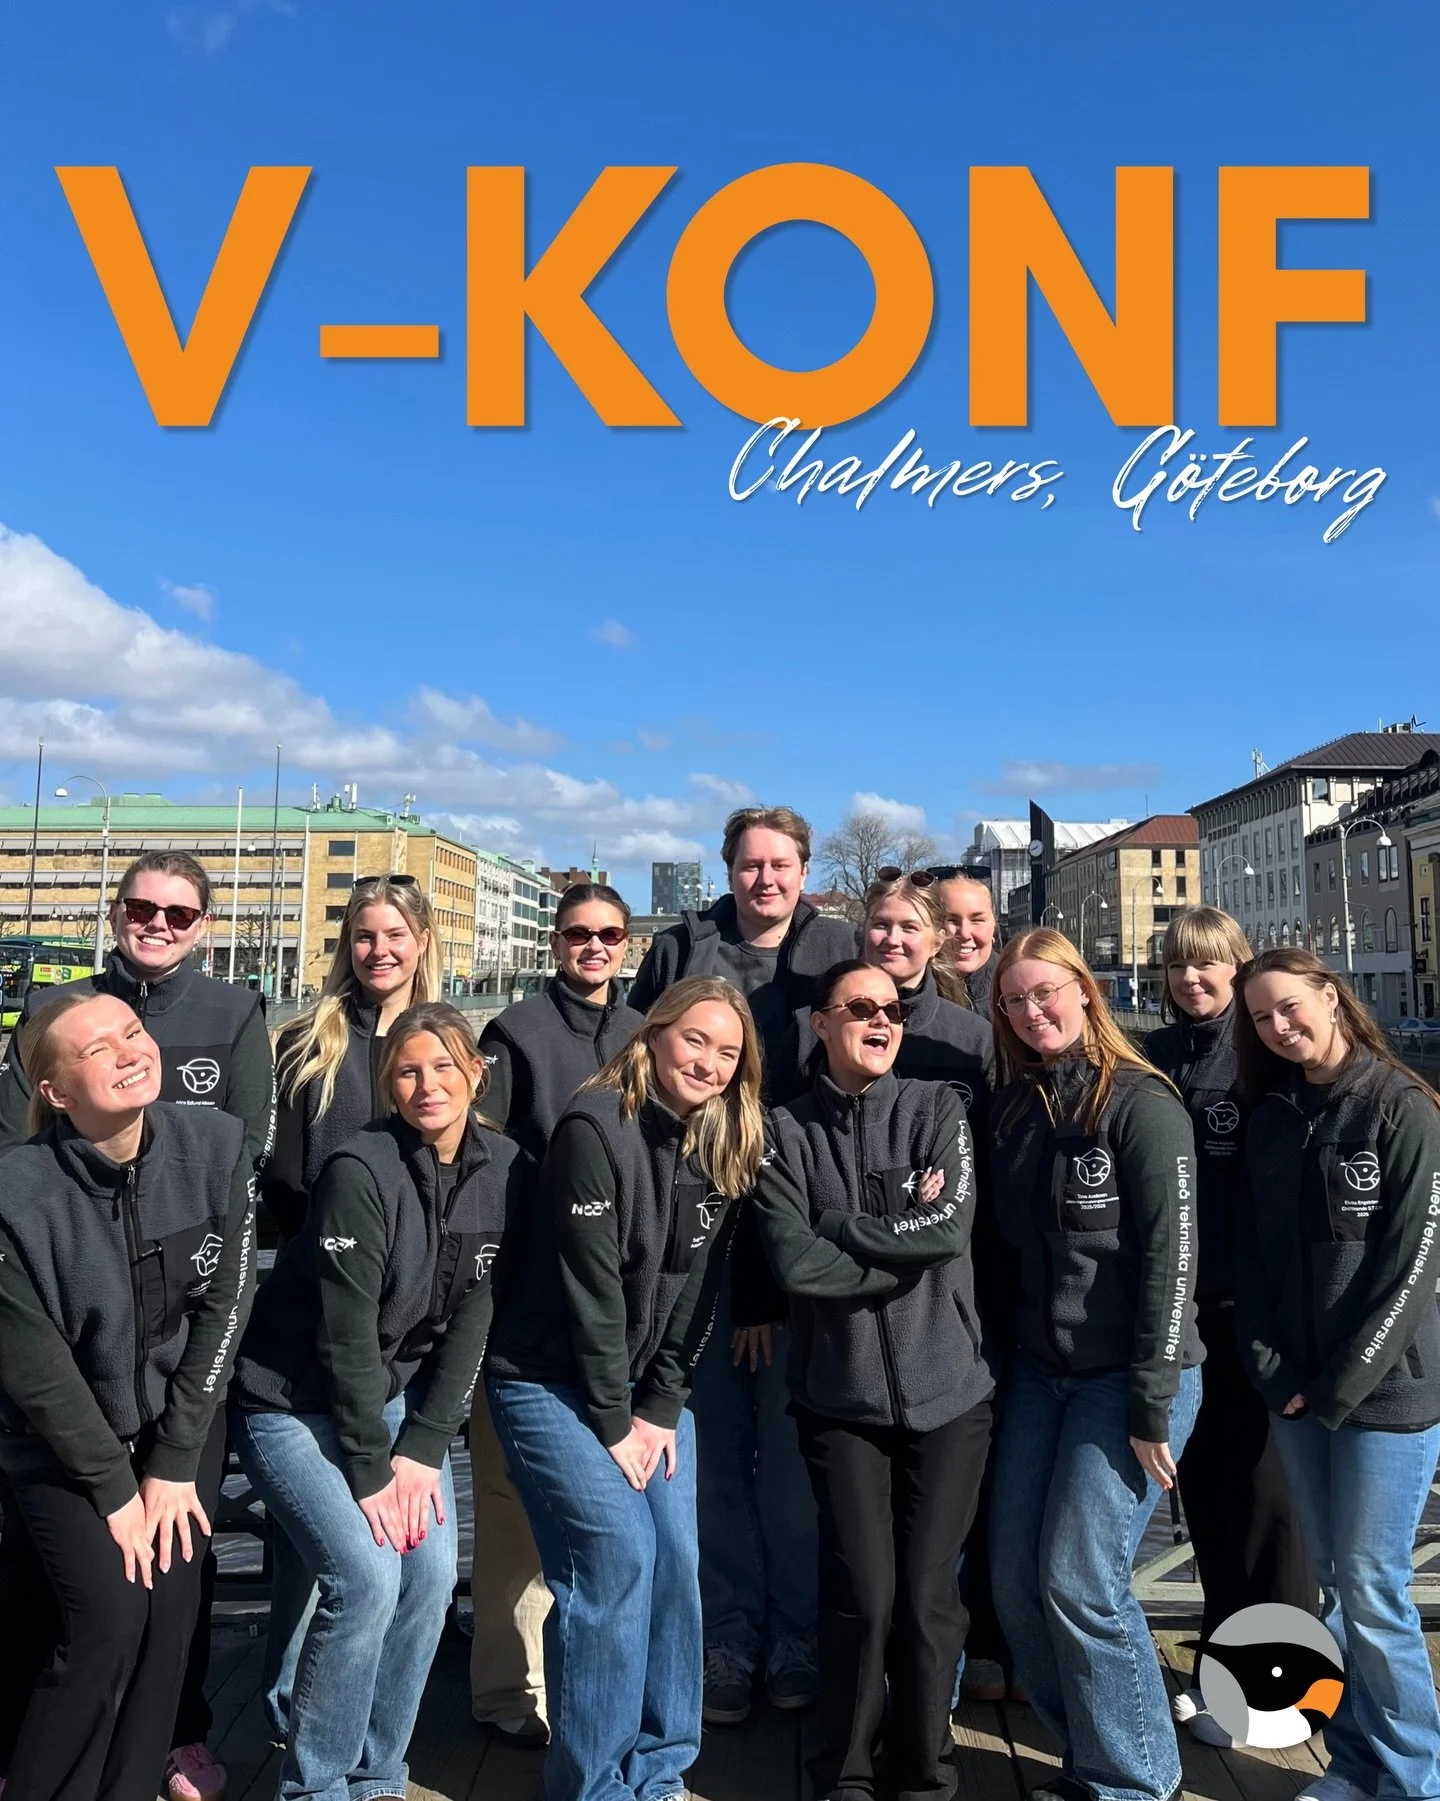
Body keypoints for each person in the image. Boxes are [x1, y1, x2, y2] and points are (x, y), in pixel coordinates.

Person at [0, 850, 274, 1801]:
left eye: (131, 1032)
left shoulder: (214, 1145)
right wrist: (120, 1487)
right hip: (60, 1439)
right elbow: (34, 1365)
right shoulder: (19, 1194)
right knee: (108, 1620)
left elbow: (224, 1304)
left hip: (174, 1421)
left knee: (169, 1616)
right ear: (52, 1090)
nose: (127, 1047)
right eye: (97, 1048)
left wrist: (173, 1461)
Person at [231, 1002, 524, 1801]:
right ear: (388, 1084)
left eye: (444, 1066)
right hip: (288, 1400)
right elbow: (345, 1333)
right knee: (364, 1577)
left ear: (476, 1073)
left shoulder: (507, 1168)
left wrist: (424, 1446)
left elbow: (476, 1312)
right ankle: (317, 1786)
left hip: (391, 1400)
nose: (428, 1084)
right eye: (407, 1070)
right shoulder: (358, 1170)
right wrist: (372, 1471)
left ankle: (377, 1771)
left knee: (429, 1578)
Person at [485, 977, 765, 1801]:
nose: (708, 1063)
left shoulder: (720, 1138)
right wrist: (616, 1421)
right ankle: (594, 1783)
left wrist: (661, 1406)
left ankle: (660, 1765)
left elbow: (699, 1292)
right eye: (695, 1040)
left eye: (728, 1052)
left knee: (675, 1557)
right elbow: (593, 1292)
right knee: (616, 1556)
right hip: (548, 1378)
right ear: (655, 1033)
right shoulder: (594, 1125)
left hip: (644, 1390)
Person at [631, 806, 854, 1724]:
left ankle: (794, 1630)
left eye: (781, 864)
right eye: (751, 864)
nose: (766, 879)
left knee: (794, 1465)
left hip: (802, 1246)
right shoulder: (681, 949)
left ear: (804, 870)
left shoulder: (836, 950)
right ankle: (725, 1631)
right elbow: (636, 1070)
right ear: (728, 869)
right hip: (700, 1249)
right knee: (714, 1455)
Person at [751, 959, 993, 1801]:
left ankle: (924, 1776)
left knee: (928, 1599)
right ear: (821, 1022)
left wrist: (837, 1226)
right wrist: (892, 1238)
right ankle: (846, 1775)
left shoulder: (937, 1109)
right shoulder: (782, 1131)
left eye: (892, 1008)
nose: (881, 1020)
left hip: (949, 1394)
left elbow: (947, 1229)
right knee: (862, 1593)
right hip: (839, 1398)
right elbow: (792, 1261)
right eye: (859, 1008)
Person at [986, 929, 1203, 1801]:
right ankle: (1088, 1751)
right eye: (1014, 999)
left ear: (1086, 990)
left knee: (1082, 1577)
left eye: (1046, 991)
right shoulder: (1015, 1108)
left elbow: (1174, 1260)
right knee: (1014, 1575)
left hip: (1131, 1373)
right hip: (1042, 1371)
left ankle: (1134, 1780)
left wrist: (1152, 1398)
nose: (1032, 1010)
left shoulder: (1141, 1103)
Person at [1234, 947, 1440, 1801]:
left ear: (1330, 995)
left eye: (1289, 1006)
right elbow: (1251, 1258)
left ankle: (1416, 1778)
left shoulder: (1402, 1106)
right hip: (1296, 1393)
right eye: (1261, 1018)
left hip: (1387, 1395)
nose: (1279, 1026)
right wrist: (1271, 1365)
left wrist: (1339, 1383)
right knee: (1335, 1581)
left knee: (1373, 1586)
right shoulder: (1272, 1117)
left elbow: (1411, 1265)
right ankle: (1356, 1762)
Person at [257, 873, 442, 1744]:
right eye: (365, 935)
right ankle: (287, 1706)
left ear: (422, 941)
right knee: (314, 1545)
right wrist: (336, 1257)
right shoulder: (310, 1043)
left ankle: (362, 1732)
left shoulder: (444, 1040)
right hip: (315, 1315)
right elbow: (284, 1181)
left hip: (401, 1336)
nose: (380, 950)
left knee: (392, 1552)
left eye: (395, 934)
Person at [468, 884, 644, 1746]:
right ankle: (508, 1686)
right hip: (528, 1303)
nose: (594, 946)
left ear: (627, 943)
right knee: (508, 1505)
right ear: (555, 941)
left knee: (608, 1514)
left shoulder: (645, 1031)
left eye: (609, 933)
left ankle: (599, 1685)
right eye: (578, 933)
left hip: (621, 1306)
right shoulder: (516, 1032)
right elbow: (485, 1156)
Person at [1147, 909, 1313, 1747]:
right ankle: (1228, 1678)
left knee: (1268, 1507)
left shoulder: (1259, 1061)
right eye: (1178, 964)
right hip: (1186, 1318)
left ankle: (1287, 1702)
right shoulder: (1156, 1053)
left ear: (1239, 968)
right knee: (1209, 1503)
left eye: (1208, 964)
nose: (1191, 978)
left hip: (1253, 1314)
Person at [934, 872, 999, 1019]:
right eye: (951, 920)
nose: (964, 933)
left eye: (977, 920)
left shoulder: (1016, 983)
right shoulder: (916, 990)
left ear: (994, 925)